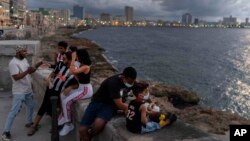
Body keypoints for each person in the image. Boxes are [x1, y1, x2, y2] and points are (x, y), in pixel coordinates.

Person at [79, 67, 137, 141]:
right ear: (123, 77)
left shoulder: (131, 81)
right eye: (130, 82)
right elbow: (120, 105)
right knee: (82, 130)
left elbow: (140, 90)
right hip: (97, 102)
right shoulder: (113, 83)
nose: (131, 84)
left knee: (97, 125)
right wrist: (131, 108)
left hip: (109, 105)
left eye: (132, 82)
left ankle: (89, 136)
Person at [27, 51, 78, 136]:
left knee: (56, 109)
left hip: (59, 92)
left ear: (70, 60)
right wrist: (48, 79)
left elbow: (77, 83)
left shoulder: (74, 71)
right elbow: (54, 73)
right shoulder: (61, 64)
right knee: (44, 106)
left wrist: (71, 87)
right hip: (51, 88)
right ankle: (34, 125)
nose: (62, 59)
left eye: (65, 58)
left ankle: (56, 125)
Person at [1, 46, 43, 141]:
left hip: (27, 89)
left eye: (26, 51)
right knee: (14, 111)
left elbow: (30, 71)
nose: (26, 53)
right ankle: (6, 132)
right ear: (18, 52)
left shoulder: (24, 60)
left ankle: (28, 122)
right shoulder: (13, 63)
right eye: (24, 51)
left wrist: (38, 65)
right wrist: (27, 71)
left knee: (31, 106)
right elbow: (16, 77)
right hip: (19, 91)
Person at [58, 48, 93, 136]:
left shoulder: (86, 67)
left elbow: (72, 70)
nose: (76, 57)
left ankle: (68, 124)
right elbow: (71, 72)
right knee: (62, 95)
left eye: (77, 56)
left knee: (66, 102)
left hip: (86, 90)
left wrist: (73, 59)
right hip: (80, 87)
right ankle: (64, 115)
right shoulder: (80, 64)